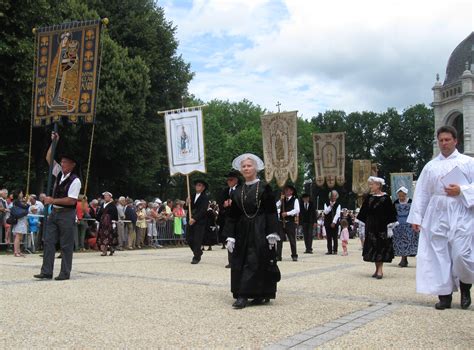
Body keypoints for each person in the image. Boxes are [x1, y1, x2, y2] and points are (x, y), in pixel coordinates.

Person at [407, 125, 474, 310]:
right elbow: (422, 193)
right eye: (441, 140)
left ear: (455, 141)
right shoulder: (430, 166)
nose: (444, 143)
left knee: (461, 253)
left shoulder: (468, 162)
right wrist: (417, 217)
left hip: (461, 211)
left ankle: (466, 286)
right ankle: (444, 295)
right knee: (439, 254)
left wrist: (462, 190)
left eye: (447, 140)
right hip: (437, 213)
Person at [224, 153, 280, 309]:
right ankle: (242, 294)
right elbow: (233, 215)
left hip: (260, 228)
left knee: (257, 259)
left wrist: (272, 232)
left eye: (249, 165)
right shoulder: (237, 191)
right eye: (244, 166)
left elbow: (270, 211)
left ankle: (260, 293)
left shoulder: (264, 188)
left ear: (255, 168)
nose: (246, 168)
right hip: (242, 229)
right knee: (241, 260)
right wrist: (230, 235)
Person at [35, 131, 81, 281]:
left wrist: (52, 200)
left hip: (67, 214)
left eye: (65, 162)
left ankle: (65, 272)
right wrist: (53, 142)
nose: (62, 164)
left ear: (72, 165)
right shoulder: (60, 174)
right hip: (55, 212)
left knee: (66, 245)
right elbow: (49, 158)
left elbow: (71, 200)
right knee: (48, 241)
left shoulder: (75, 180)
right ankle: (46, 271)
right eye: (61, 161)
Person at [357, 176, 398, 279]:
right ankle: (377, 269)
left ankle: (380, 270)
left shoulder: (386, 198)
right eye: (370, 184)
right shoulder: (369, 197)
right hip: (371, 226)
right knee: (373, 247)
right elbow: (363, 212)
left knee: (381, 247)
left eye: (372, 184)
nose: (370, 186)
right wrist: (361, 224)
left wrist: (390, 226)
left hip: (382, 227)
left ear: (378, 185)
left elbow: (391, 213)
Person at [217, 170, 241, 268]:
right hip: (228, 218)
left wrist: (234, 202)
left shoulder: (241, 189)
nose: (229, 182)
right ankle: (231, 261)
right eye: (228, 180)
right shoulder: (225, 191)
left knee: (239, 240)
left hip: (239, 218)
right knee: (229, 240)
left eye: (231, 180)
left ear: (236, 180)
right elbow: (220, 203)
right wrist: (224, 205)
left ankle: (239, 260)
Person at [392, 186, 418, 268]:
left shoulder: (411, 201)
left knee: (408, 241)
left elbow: (414, 212)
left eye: (403, 196)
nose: (401, 197)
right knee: (400, 242)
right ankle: (403, 258)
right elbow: (393, 213)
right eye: (399, 196)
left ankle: (405, 258)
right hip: (399, 224)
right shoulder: (396, 202)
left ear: (406, 195)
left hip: (409, 224)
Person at [185, 179, 209, 264]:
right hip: (190, 220)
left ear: (203, 188)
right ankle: (198, 251)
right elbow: (186, 207)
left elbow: (203, 210)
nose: (197, 186)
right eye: (197, 185)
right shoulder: (191, 195)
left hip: (199, 221)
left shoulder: (205, 197)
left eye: (199, 185)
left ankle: (196, 256)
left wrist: (194, 219)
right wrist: (187, 203)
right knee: (188, 238)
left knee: (197, 240)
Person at [276, 184, 300, 261]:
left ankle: (294, 255)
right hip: (281, 222)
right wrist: (280, 199)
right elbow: (275, 205)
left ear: (291, 192)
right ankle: (278, 256)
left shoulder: (295, 200)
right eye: (285, 190)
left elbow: (297, 210)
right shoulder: (282, 200)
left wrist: (287, 213)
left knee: (292, 240)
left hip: (290, 222)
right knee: (279, 240)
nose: (286, 192)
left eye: (288, 190)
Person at [96, 191, 119, 256]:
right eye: (105, 196)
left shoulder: (112, 205)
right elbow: (99, 213)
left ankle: (111, 249)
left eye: (107, 196)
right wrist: (97, 221)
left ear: (110, 197)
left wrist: (114, 222)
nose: (105, 197)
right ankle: (104, 251)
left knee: (110, 237)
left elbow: (115, 214)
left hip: (109, 223)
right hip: (103, 224)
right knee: (103, 237)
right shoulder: (102, 204)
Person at [10, 190, 29, 257]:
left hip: (22, 220)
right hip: (19, 220)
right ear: (18, 194)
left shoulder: (19, 201)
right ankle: (16, 251)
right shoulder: (17, 201)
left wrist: (25, 201)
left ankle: (18, 251)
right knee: (18, 236)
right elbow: (25, 207)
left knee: (20, 236)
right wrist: (27, 203)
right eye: (21, 193)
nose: (22, 194)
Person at [323, 190, 341, 255]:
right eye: (332, 196)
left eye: (334, 196)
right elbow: (325, 212)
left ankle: (335, 250)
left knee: (335, 237)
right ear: (330, 196)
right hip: (327, 222)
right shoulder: (326, 203)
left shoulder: (338, 204)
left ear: (336, 197)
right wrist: (330, 206)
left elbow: (338, 214)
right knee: (329, 237)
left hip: (335, 223)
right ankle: (329, 250)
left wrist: (334, 222)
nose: (333, 197)